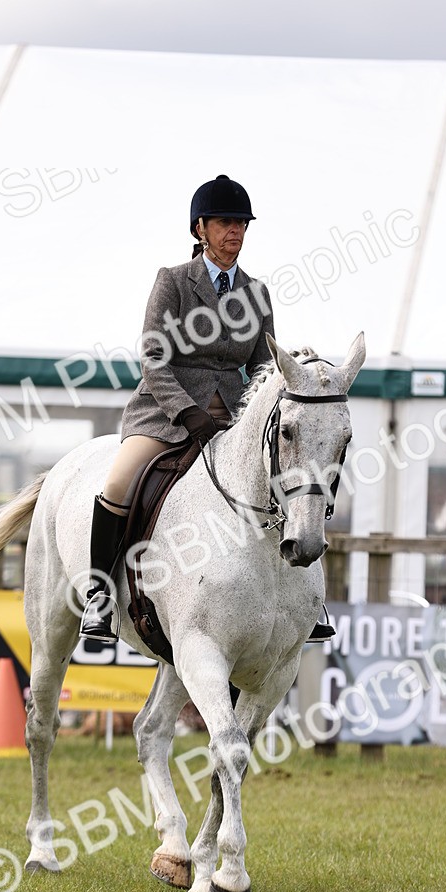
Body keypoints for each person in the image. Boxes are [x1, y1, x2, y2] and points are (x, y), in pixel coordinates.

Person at [80, 174, 336, 645]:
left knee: (292, 481)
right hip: (166, 414)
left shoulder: (256, 294)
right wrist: (185, 410)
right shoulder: (173, 282)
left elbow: (263, 366)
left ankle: (307, 601)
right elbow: (153, 358)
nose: (234, 232)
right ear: (200, 228)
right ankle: (98, 593)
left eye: (241, 223)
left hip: (234, 422)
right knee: (118, 482)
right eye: (225, 223)